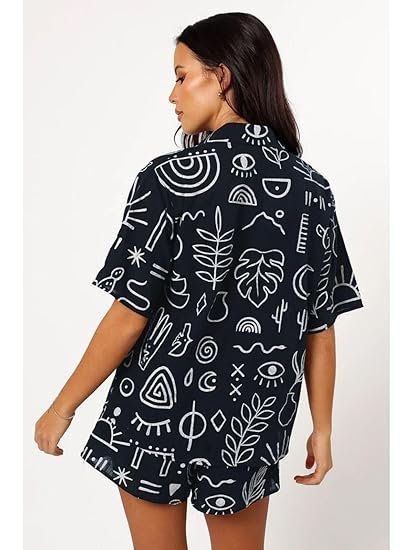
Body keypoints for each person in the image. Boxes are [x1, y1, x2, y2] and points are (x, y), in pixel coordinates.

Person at [34, 12, 364, 550]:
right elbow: (319, 325)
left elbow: (130, 312)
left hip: (154, 412)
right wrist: (321, 429)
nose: (173, 94)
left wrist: (61, 406)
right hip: (249, 420)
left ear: (222, 76)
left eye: (181, 76)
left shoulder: (166, 180)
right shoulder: (311, 191)